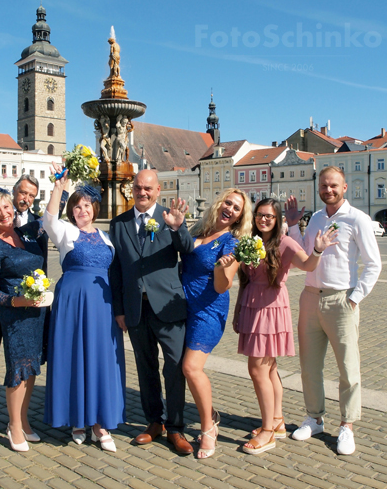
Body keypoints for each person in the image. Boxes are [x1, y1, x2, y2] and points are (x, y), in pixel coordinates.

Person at [0, 147, 61, 434]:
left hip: (26, 304)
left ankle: (18, 417)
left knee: (21, 358)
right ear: (14, 191)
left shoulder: (35, 227)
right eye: (23, 192)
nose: (26, 197)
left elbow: (41, 264)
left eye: (31, 194)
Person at [286, 166, 382, 455]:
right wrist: (293, 225)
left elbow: (374, 263)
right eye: (324, 185)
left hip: (342, 300)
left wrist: (355, 298)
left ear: (344, 188)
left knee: (348, 368)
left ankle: (347, 425)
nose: (328, 190)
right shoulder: (315, 218)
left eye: (334, 186)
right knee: (309, 365)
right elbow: (303, 253)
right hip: (310, 297)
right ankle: (314, 417)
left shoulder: (357, 219)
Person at [233, 198, 337, 455]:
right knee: (268, 368)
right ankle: (277, 421)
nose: (263, 219)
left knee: (257, 368)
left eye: (268, 215)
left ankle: (267, 431)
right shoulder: (251, 241)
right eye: (259, 214)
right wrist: (237, 311)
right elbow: (244, 280)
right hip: (251, 304)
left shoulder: (285, 242)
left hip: (271, 308)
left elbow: (308, 265)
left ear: (277, 218)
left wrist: (318, 250)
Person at [108, 169, 195, 455]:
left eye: (148, 188)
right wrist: (119, 309)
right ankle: (154, 422)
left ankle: (176, 428)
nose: (142, 193)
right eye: (137, 188)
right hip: (135, 309)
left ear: (158, 191)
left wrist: (178, 227)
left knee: (174, 367)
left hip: (168, 306)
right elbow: (116, 270)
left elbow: (188, 250)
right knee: (145, 368)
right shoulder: (118, 223)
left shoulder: (169, 219)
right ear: (130, 190)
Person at [42, 167, 125, 453]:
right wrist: (58, 187)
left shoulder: (106, 237)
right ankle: (77, 420)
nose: (81, 211)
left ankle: (101, 424)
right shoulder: (66, 232)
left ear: (94, 208)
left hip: (103, 306)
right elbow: (49, 217)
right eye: (76, 207)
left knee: (102, 359)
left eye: (86, 206)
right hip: (73, 302)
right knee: (74, 356)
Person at [181, 188, 253, 459]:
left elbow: (223, 286)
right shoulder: (198, 228)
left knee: (191, 368)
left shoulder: (232, 243)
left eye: (237, 208)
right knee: (182, 367)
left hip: (208, 311)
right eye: (228, 202)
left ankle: (208, 428)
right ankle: (208, 411)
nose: (230, 209)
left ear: (239, 217)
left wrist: (221, 268)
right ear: (219, 202)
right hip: (183, 306)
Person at [0, 188, 49, 452]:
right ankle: (14, 426)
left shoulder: (25, 233)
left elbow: (51, 214)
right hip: (15, 314)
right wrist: (16, 301)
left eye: (6, 207)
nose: (3, 213)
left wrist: (61, 185)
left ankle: (23, 420)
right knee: (17, 369)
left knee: (30, 369)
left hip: (36, 311)